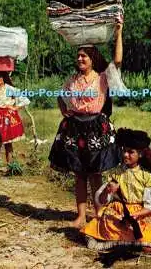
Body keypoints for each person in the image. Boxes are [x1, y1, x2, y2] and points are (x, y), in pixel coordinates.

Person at [49, 18, 124, 228]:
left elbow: (117, 60)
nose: (79, 58)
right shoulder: (72, 80)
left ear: (92, 58)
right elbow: (60, 96)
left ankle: (98, 213)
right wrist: (65, 111)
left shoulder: (102, 78)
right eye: (78, 55)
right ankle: (81, 216)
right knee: (79, 174)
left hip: (95, 128)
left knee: (95, 174)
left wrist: (119, 32)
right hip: (74, 128)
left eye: (84, 55)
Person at [82, 128, 151, 250]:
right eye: (124, 151)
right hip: (121, 211)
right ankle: (128, 242)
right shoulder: (117, 173)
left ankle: (135, 242)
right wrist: (108, 191)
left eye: (130, 152)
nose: (125, 154)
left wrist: (135, 215)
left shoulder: (146, 176)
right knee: (107, 223)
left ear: (140, 154)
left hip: (142, 213)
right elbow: (102, 200)